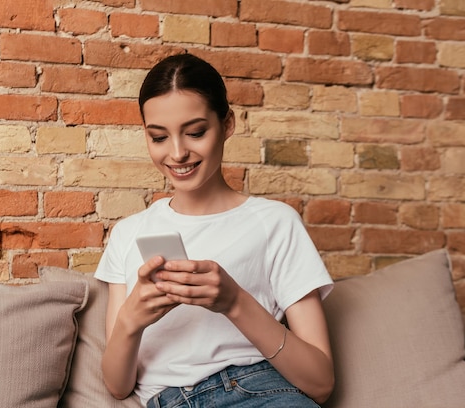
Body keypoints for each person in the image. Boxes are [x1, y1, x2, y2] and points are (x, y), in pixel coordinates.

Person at [94, 53, 335, 408]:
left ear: (227, 125)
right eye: (159, 137)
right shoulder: (128, 234)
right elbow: (117, 387)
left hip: (262, 392)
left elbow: (321, 383)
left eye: (195, 132)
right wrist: (131, 320)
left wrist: (234, 302)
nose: (177, 153)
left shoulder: (276, 222)